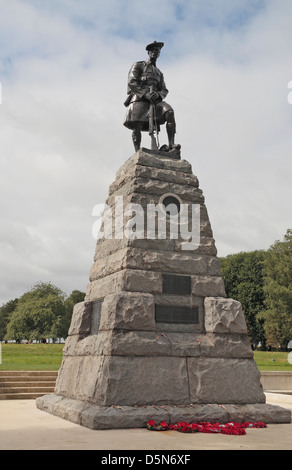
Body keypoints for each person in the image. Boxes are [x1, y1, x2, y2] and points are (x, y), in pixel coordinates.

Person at [123, 41, 179, 153]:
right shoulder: (138, 65)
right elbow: (132, 82)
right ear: (149, 52)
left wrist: (158, 94)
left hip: (154, 101)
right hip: (139, 98)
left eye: (157, 51)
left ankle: (171, 144)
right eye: (153, 51)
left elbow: (164, 89)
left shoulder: (159, 73)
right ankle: (137, 151)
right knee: (137, 124)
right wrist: (145, 94)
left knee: (169, 112)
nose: (155, 53)